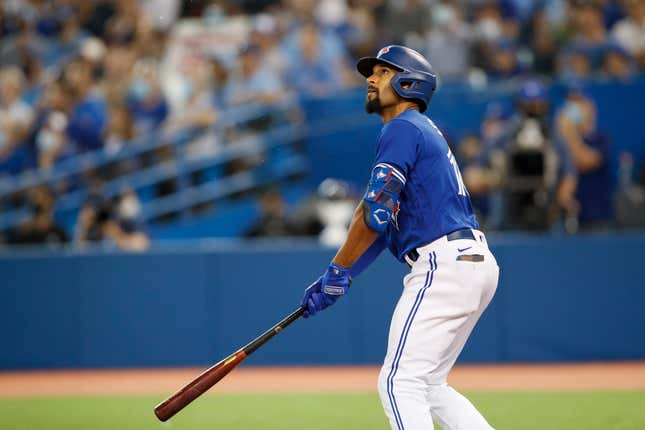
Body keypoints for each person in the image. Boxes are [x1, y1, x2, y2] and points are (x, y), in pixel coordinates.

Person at [300, 45, 499, 430]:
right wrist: (339, 275)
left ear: (410, 83)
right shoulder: (421, 130)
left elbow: (372, 213)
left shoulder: (403, 127)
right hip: (472, 262)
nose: (371, 79)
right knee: (430, 386)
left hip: (444, 264)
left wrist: (337, 269)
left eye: (383, 72)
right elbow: (379, 222)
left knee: (398, 382)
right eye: (370, 73)